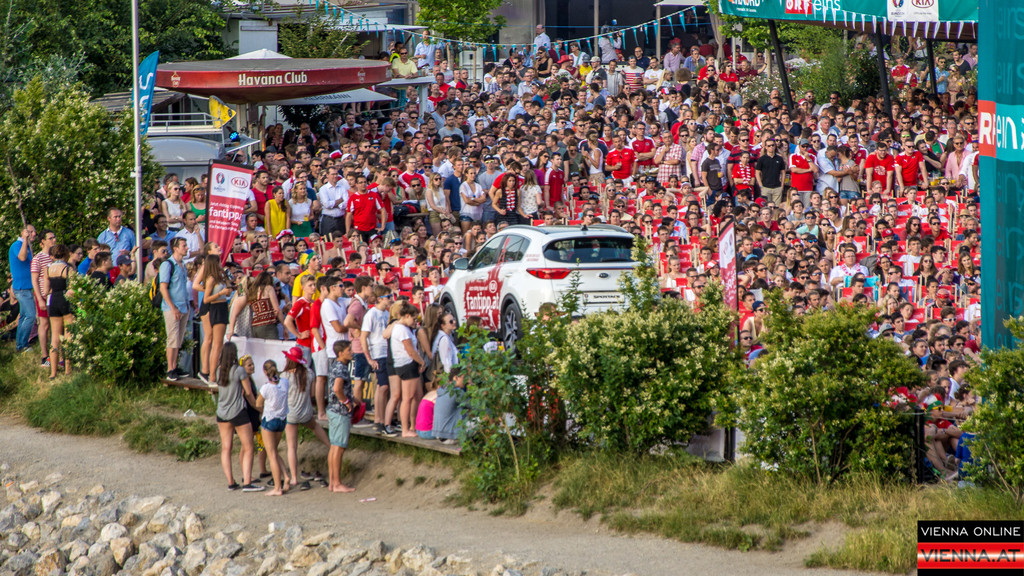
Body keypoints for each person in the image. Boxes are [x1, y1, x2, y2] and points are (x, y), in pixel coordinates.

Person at [214, 342, 264, 492]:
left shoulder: (219, 370)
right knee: (248, 447)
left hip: (222, 413)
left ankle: (231, 482)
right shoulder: (239, 371)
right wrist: (258, 407)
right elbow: (248, 393)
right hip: (238, 412)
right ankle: (247, 482)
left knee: (226, 448)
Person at [282, 345, 331, 491]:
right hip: (305, 411)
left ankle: (294, 478)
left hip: (290, 413)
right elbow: (311, 394)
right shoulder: (309, 373)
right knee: (315, 426)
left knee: (291, 447)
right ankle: (331, 446)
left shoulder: (284, 376)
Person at [360, 285, 393, 434]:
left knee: (383, 387)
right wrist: (369, 358)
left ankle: (382, 419)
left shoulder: (387, 313)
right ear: (380, 299)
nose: (391, 299)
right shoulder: (371, 314)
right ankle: (379, 419)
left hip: (387, 352)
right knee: (383, 386)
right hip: (377, 352)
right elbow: (363, 336)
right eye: (388, 297)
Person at [390, 302, 425, 438]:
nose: (415, 322)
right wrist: (421, 362)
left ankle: (412, 425)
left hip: (405, 364)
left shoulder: (401, 328)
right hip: (407, 364)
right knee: (408, 399)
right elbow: (410, 351)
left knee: (415, 396)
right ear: (407, 316)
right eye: (414, 319)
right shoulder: (402, 329)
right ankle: (405, 429)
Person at [326, 340, 356, 493]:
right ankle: (337, 483)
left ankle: (332, 482)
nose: (351, 351)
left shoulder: (335, 366)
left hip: (332, 410)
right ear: (340, 353)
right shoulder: (342, 368)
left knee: (334, 447)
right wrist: (346, 401)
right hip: (340, 412)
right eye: (348, 349)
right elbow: (337, 388)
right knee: (339, 448)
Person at [160, 238, 191, 381]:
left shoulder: (182, 264)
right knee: (172, 338)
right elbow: (163, 287)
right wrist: (173, 307)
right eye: (184, 246)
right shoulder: (168, 264)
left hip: (183, 306)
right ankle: (170, 368)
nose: (186, 248)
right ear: (176, 248)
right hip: (172, 307)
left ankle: (174, 365)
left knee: (178, 339)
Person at [42, 244, 74, 379]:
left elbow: (45, 291)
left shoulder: (48, 269)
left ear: (53, 255)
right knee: (68, 335)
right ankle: (68, 368)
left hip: (53, 300)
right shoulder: (67, 268)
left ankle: (53, 372)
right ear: (65, 254)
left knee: (54, 337)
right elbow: (72, 290)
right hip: (65, 299)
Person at [258, 359, 290, 496]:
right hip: (282, 419)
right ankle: (286, 476)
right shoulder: (285, 382)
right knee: (274, 452)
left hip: (269, 420)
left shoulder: (266, 387)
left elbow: (258, 403)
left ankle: (278, 487)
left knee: (271, 455)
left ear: (265, 372)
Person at [431, 310, 462, 444]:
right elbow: (446, 362)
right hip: (449, 376)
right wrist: (452, 379)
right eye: (450, 321)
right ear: (443, 325)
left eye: (454, 319)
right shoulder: (443, 339)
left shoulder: (445, 336)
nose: (454, 322)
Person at [9, 225, 37, 354]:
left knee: (24, 316)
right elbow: (22, 258)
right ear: (23, 233)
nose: (34, 234)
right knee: (31, 315)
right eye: (30, 232)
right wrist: (25, 240)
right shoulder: (17, 245)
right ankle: (22, 345)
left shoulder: (26, 246)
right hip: (21, 288)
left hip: (27, 287)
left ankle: (20, 343)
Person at [31, 229, 56, 365]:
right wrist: (40, 298)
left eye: (54, 237)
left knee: (55, 325)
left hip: (55, 294)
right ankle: (44, 355)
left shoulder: (55, 256)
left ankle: (55, 354)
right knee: (44, 324)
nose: (53, 240)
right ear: (43, 242)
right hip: (43, 294)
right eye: (50, 238)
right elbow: (34, 279)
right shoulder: (38, 258)